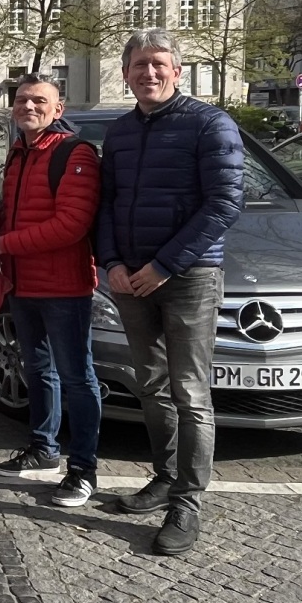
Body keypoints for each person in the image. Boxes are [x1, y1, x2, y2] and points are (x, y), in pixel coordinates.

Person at [98, 29, 243, 555]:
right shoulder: (119, 132)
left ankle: (188, 501)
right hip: (131, 279)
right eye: (139, 65)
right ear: (126, 72)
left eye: (159, 64)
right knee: (152, 386)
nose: (149, 73)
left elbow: (225, 202)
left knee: (190, 392)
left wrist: (164, 265)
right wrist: (111, 261)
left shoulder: (210, 124)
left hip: (188, 277)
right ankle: (163, 478)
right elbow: (108, 203)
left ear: (177, 71)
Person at [0, 74, 103, 508]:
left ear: (58, 110)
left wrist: (2, 243)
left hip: (64, 287)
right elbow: (9, 213)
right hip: (24, 285)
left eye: (38, 101)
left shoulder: (75, 153)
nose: (27, 107)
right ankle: (43, 449)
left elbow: (71, 226)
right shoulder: (18, 153)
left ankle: (84, 471)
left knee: (77, 377)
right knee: (36, 371)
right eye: (21, 100)